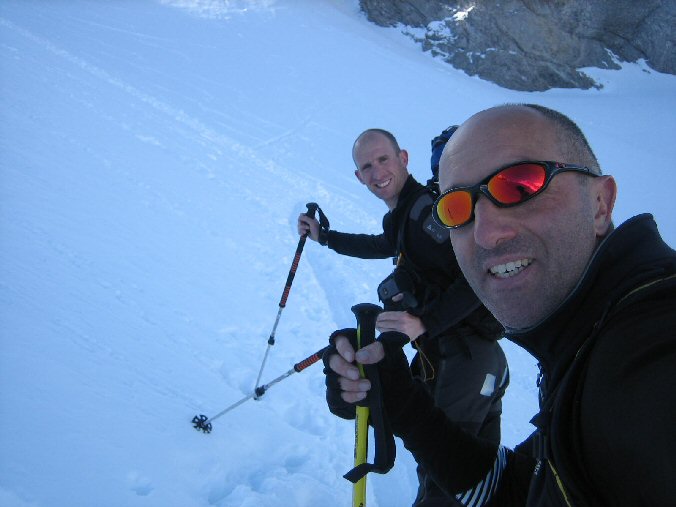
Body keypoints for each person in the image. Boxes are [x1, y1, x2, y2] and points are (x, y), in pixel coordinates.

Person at [324, 104, 676, 506]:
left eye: (520, 186)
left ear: (600, 202)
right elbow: (523, 490)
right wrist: (402, 400)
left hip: (467, 357)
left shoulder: (651, 352)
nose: (486, 233)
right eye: (457, 209)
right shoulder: (584, 350)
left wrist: (426, 321)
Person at [298, 128, 509, 506]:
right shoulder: (403, 216)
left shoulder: (426, 213)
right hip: (457, 358)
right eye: (367, 166)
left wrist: (425, 322)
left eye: (383, 159)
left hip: (467, 360)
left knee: (444, 483)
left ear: (404, 158)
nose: (377, 172)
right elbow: (381, 245)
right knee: (477, 484)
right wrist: (326, 238)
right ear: (358, 177)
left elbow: (478, 274)